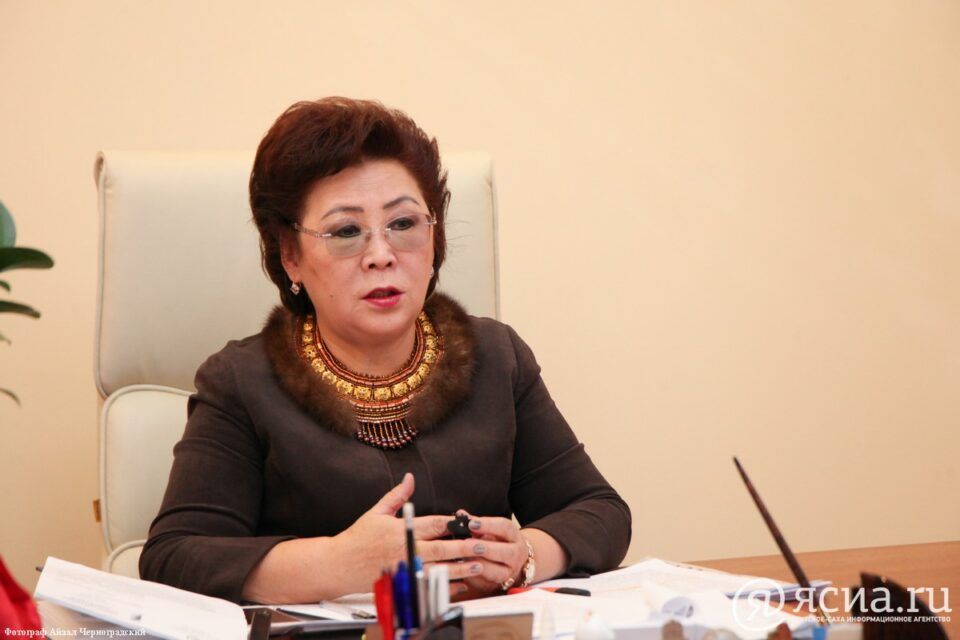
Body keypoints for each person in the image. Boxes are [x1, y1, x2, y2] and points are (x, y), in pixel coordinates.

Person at [139, 97, 631, 604]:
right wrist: (337, 564)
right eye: (346, 232)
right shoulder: (242, 382)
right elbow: (174, 558)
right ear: (290, 255)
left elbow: (599, 511)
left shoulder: (496, 356)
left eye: (403, 224)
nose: (381, 255)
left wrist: (523, 555)